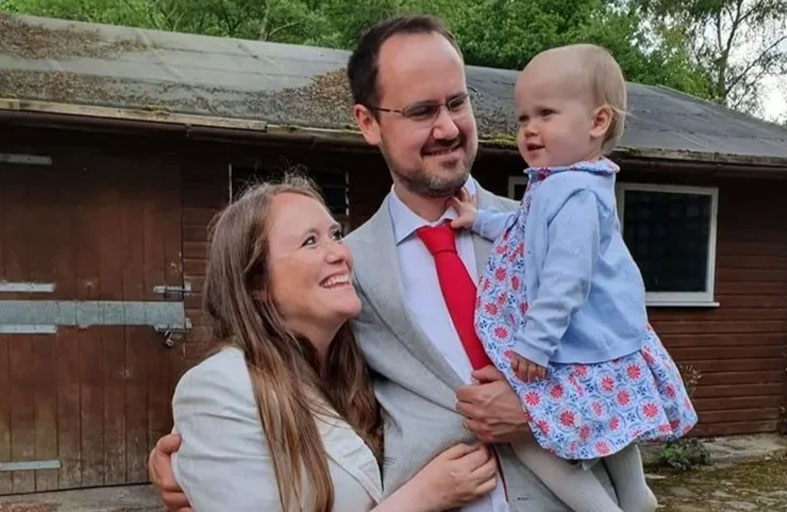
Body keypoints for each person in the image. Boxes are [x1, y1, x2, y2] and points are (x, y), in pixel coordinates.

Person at [149, 15, 622, 511]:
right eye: (421, 111)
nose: (447, 127)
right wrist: (191, 460)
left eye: (457, 103)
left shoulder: (556, 228)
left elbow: (638, 372)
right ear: (368, 122)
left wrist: (539, 412)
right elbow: (290, 383)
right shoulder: (348, 274)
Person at [450, 44, 698, 512]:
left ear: (597, 121)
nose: (529, 129)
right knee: (612, 420)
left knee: (535, 434)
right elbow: (523, 228)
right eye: (523, 118)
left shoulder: (577, 196)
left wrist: (535, 342)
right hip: (600, 341)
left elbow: (567, 278)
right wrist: (479, 219)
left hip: (574, 343)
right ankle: (635, 494)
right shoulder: (559, 183)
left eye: (546, 114)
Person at [167, 175, 498, 511]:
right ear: (257, 282)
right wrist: (421, 497)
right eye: (310, 242)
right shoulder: (219, 387)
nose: (340, 253)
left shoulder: (358, 367)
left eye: (336, 235)